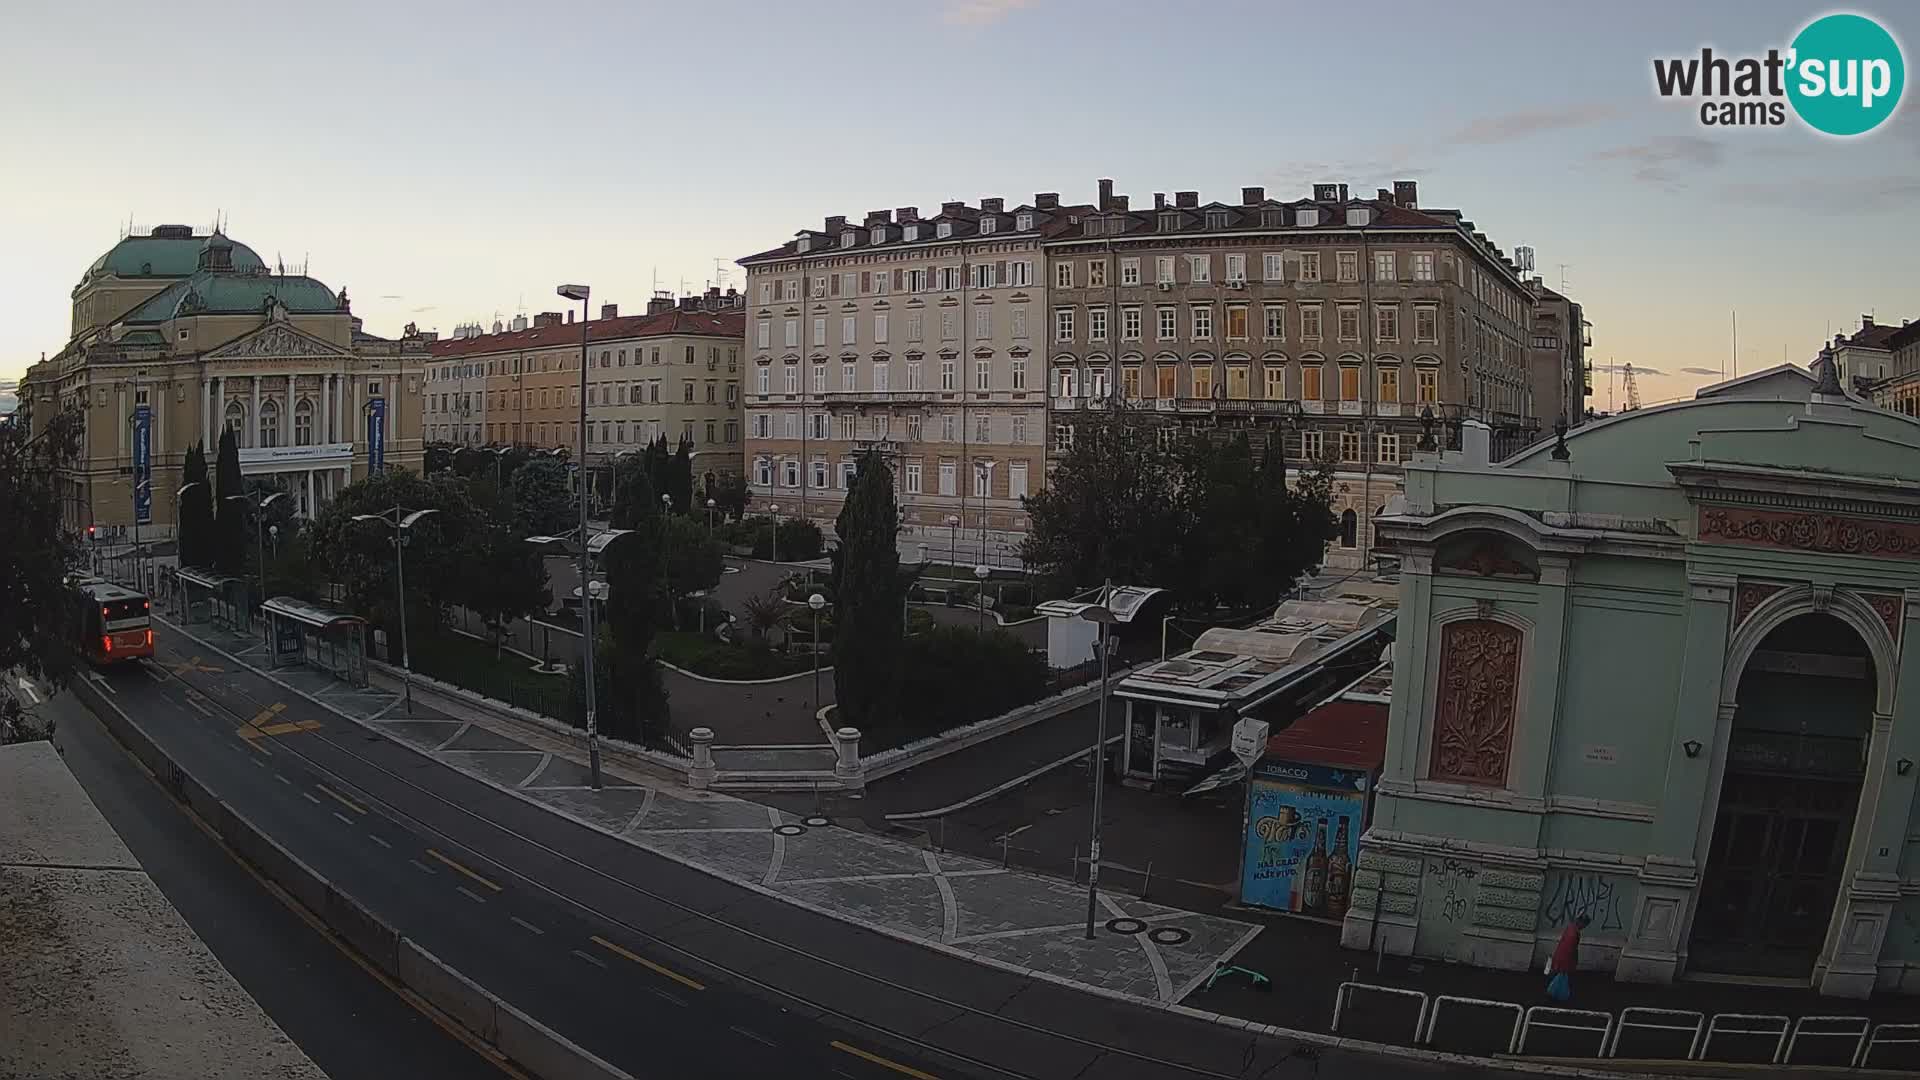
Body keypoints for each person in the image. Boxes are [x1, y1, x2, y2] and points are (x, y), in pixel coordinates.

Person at [1545, 914, 1588, 1002]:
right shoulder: (1574, 933)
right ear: (1581, 922)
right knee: (1561, 976)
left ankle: (1553, 993)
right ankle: (1555, 995)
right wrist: (1568, 964)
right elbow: (1569, 950)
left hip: (1560, 957)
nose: (1584, 927)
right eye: (1584, 925)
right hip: (1565, 960)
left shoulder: (1571, 928)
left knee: (1558, 976)